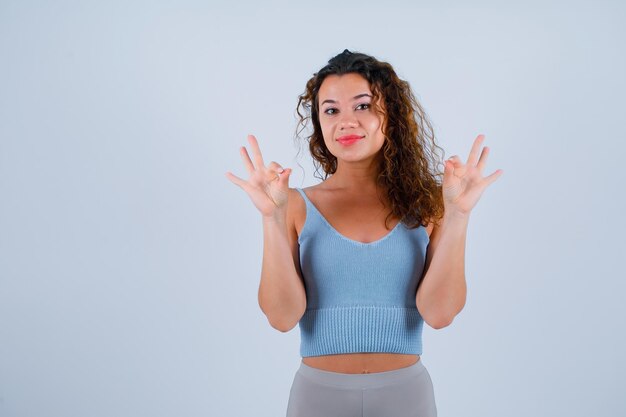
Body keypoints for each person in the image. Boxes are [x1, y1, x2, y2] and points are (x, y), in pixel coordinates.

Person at [225, 49, 503, 417]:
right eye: (331, 110)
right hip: (317, 396)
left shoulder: (430, 205)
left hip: (405, 395)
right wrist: (271, 219)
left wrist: (459, 215)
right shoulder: (291, 204)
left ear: (391, 115)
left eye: (362, 106)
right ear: (319, 123)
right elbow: (281, 317)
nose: (346, 122)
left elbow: (439, 314)